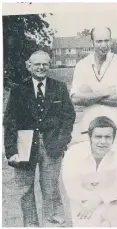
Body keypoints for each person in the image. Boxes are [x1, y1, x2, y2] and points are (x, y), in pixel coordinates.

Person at [3, 50, 76, 226]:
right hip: (24, 144)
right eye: (37, 64)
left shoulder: (59, 87)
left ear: (49, 65)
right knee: (24, 189)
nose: (41, 67)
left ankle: (52, 224)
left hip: (52, 145)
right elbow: (9, 121)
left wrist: (61, 142)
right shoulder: (19, 89)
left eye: (44, 64)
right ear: (29, 66)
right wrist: (11, 151)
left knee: (50, 188)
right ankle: (31, 225)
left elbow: (69, 117)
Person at [70, 27, 117, 155]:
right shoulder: (82, 65)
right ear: (92, 42)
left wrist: (89, 96)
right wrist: (105, 92)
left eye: (106, 40)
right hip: (88, 130)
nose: (103, 45)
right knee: (91, 173)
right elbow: (75, 99)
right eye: (99, 41)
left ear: (111, 41)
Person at [62, 116, 117, 227]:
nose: (103, 142)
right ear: (90, 138)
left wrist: (97, 200)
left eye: (108, 137)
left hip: (110, 205)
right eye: (98, 137)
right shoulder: (74, 153)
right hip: (85, 205)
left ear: (113, 138)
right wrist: (102, 199)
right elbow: (72, 188)